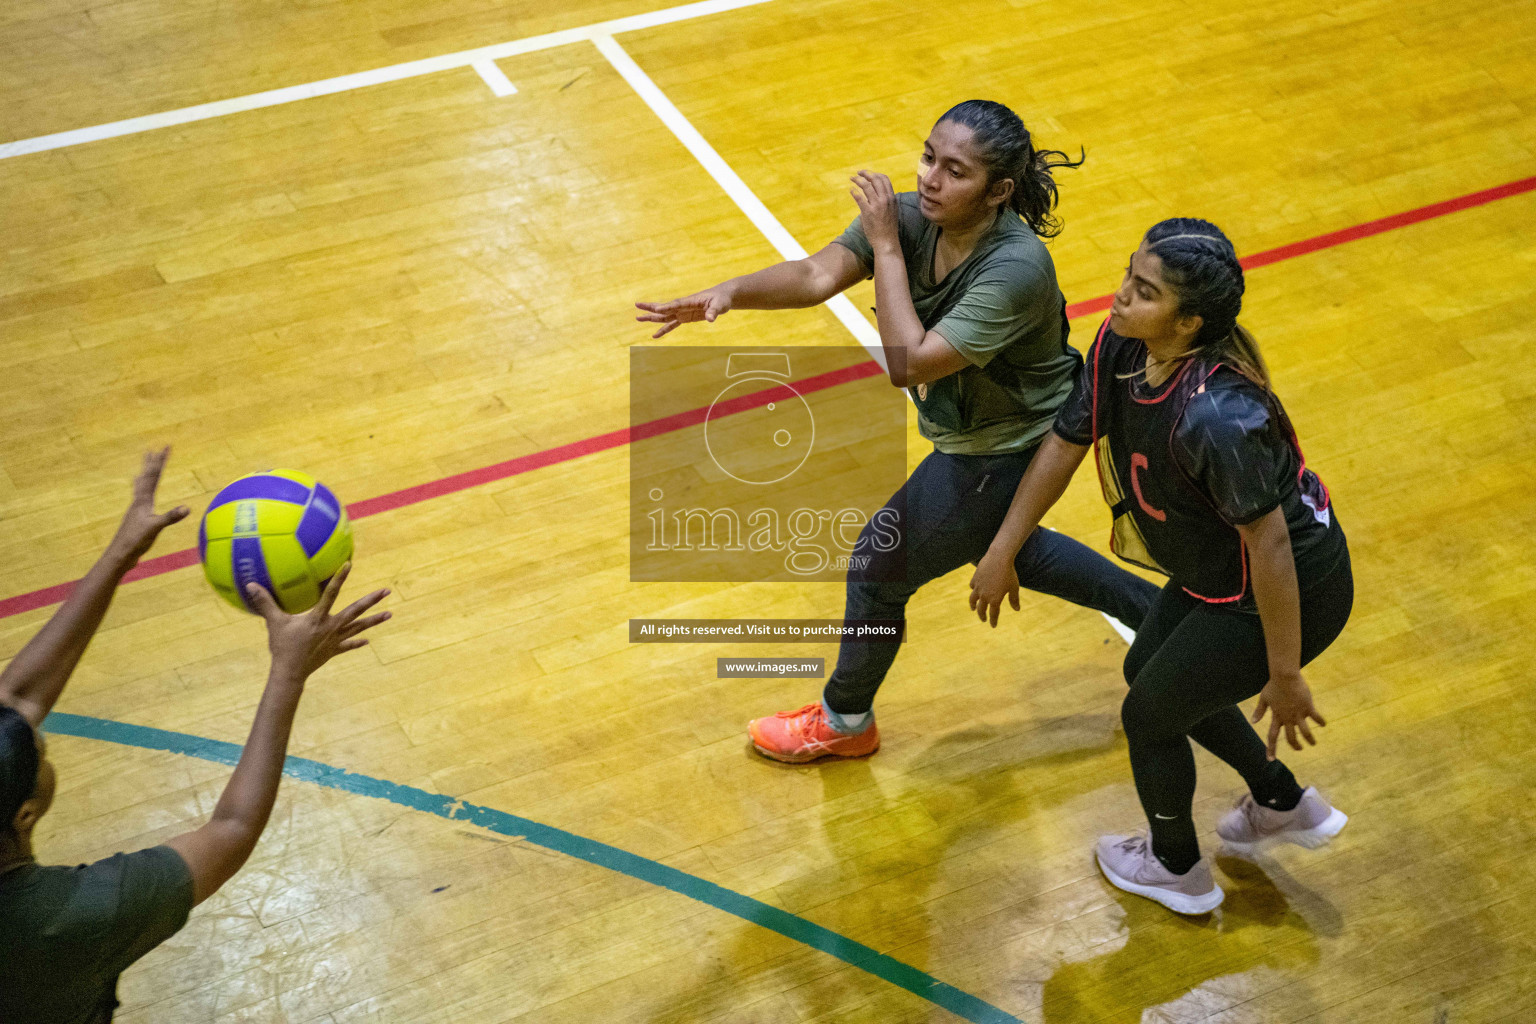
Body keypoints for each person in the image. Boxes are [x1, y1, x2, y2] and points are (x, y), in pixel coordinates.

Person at [637, 100, 1158, 763]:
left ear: (998, 191)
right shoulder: (913, 217)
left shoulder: (1015, 267)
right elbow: (816, 274)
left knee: (877, 567)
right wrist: (730, 291)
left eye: (955, 171)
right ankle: (1167, 619)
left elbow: (908, 362)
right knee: (1006, 547)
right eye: (928, 158)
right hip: (979, 438)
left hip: (1011, 447)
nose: (931, 179)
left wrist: (885, 244)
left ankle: (844, 718)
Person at [969, 218, 1352, 915]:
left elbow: (1270, 547)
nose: (1119, 297)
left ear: (1188, 322)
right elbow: (1067, 439)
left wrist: (1285, 671)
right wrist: (1003, 548)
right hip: (1219, 573)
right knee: (1149, 674)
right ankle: (1281, 801)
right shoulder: (1122, 345)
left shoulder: (1217, 418)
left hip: (1285, 588)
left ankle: (1177, 867)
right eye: (1128, 276)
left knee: (1148, 715)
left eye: (1143, 292)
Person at [1, 448, 391, 1022]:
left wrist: (120, 555)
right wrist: (288, 673)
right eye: (41, 748)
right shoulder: (65, 919)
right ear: (26, 814)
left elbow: (17, 699)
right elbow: (230, 831)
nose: (37, 729)